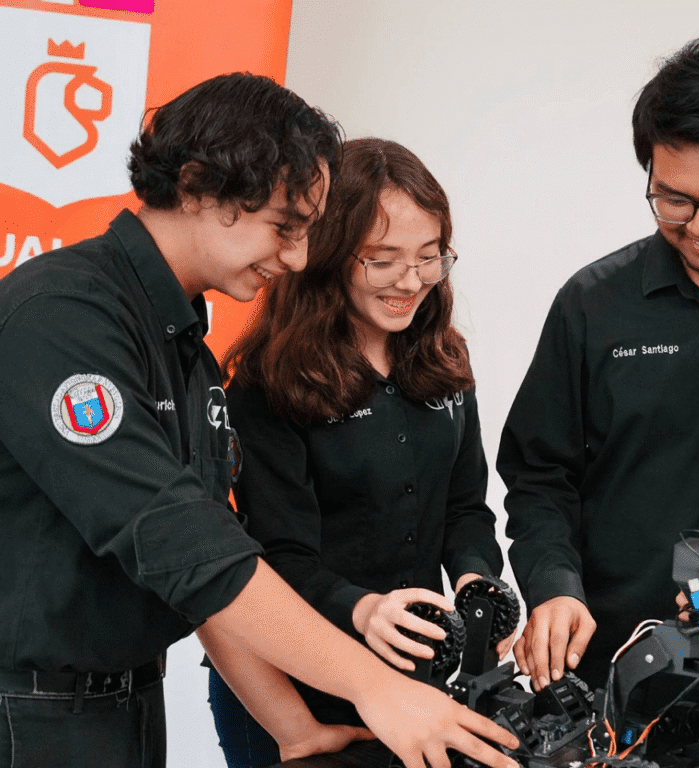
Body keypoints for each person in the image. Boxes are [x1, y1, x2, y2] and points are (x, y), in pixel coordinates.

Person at [0, 73, 519, 768]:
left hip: (127, 700)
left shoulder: (186, 351)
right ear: (194, 186)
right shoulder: (64, 316)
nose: (302, 258)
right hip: (27, 709)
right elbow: (179, 543)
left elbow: (207, 567)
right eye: (285, 226)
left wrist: (294, 728)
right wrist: (373, 685)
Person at [496, 37, 699, 760]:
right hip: (617, 692)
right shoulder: (594, 305)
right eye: (673, 198)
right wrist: (554, 587)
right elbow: (541, 476)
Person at [206, 137, 512, 767]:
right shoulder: (269, 382)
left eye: (431, 258)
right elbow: (273, 557)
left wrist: (479, 578)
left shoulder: (444, 358)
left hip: (415, 680)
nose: (412, 281)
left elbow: (464, 508)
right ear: (329, 255)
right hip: (295, 684)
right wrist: (364, 609)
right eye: (383, 260)